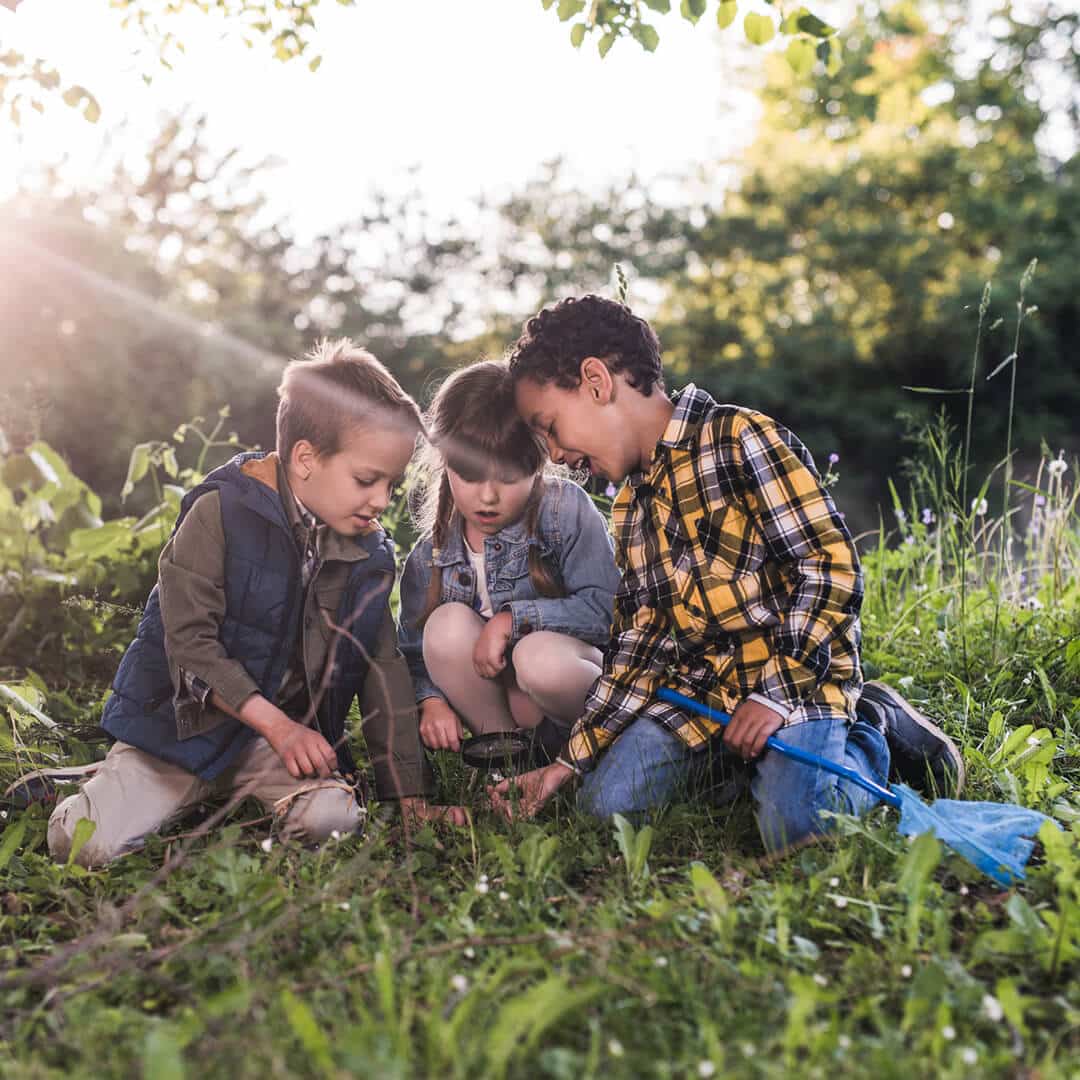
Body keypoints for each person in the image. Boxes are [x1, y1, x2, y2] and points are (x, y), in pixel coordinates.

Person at [492, 295, 964, 851]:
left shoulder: (740, 439)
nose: (554, 455)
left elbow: (827, 566)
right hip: (701, 695)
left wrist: (775, 695)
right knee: (606, 810)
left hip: (793, 681)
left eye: (550, 428)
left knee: (799, 827)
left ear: (596, 381)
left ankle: (874, 732)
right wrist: (567, 766)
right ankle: (754, 767)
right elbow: (641, 644)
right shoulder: (628, 508)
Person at [47, 339, 464, 867]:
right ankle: (91, 786)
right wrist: (279, 725)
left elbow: (383, 671)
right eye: (366, 480)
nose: (381, 501)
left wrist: (409, 798)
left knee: (333, 823)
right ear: (306, 458)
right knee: (83, 845)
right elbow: (189, 646)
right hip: (178, 735)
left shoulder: (368, 554)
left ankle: (215, 794)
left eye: (391, 483)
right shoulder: (218, 513)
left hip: (273, 749)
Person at [397, 359, 621, 763]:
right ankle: (509, 761)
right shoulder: (430, 555)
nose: (487, 497)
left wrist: (512, 619)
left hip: (569, 694)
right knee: (444, 626)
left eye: (508, 476)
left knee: (538, 657)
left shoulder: (564, 510)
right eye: (470, 474)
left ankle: (595, 756)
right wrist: (430, 701)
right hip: (505, 710)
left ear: (541, 459)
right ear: (444, 461)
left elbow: (607, 611)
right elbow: (412, 652)